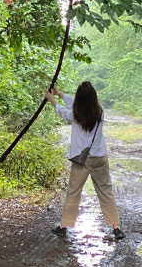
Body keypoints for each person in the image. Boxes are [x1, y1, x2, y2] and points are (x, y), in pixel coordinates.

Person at [45, 81, 125, 241]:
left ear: (79, 99)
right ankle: (116, 228)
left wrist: (52, 100)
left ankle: (64, 226)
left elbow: (64, 111)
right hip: (99, 159)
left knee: (73, 192)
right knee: (106, 192)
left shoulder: (75, 114)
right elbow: (75, 104)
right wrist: (59, 94)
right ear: (94, 97)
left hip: (81, 161)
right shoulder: (100, 111)